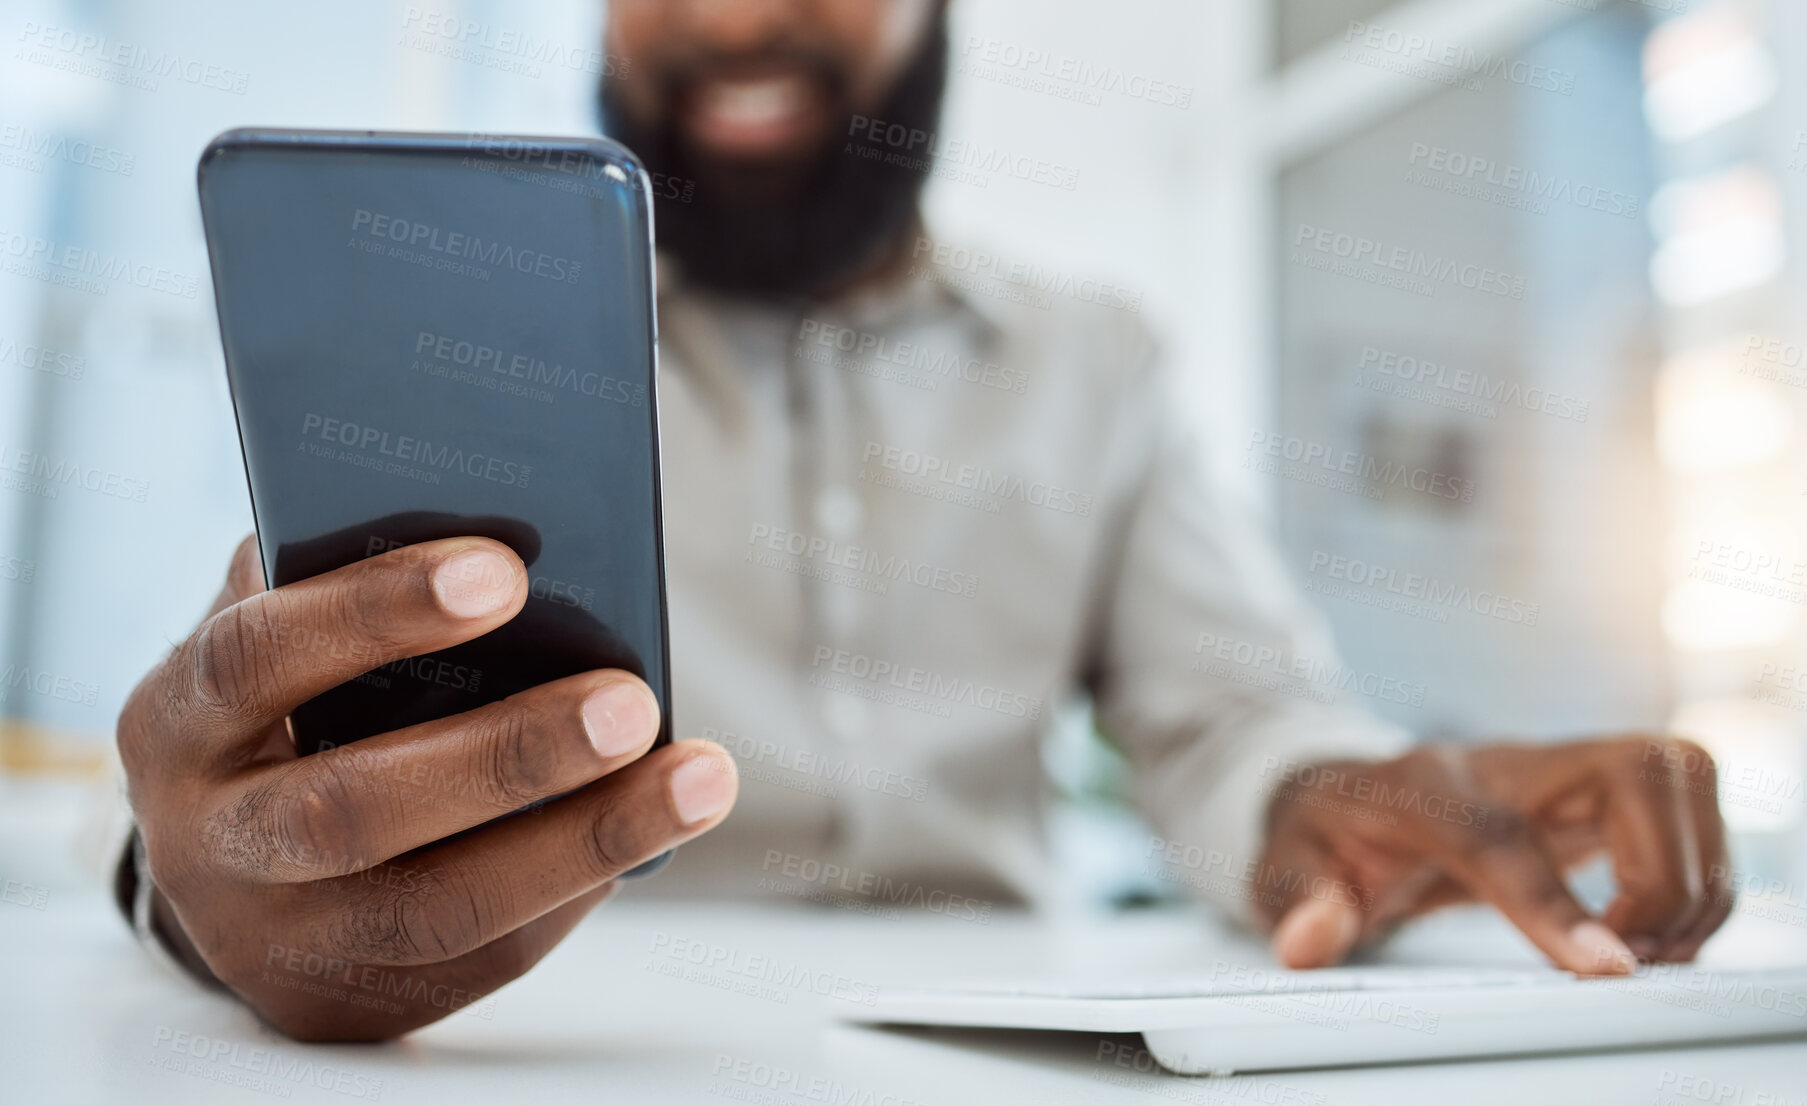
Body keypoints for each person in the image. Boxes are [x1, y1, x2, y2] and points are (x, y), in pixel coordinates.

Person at [112, 0, 1733, 1042]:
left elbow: (1231, 713)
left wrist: (1330, 790)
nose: (740, 15)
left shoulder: (1099, 359)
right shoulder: (437, 347)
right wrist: (206, 888)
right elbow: (208, 760)